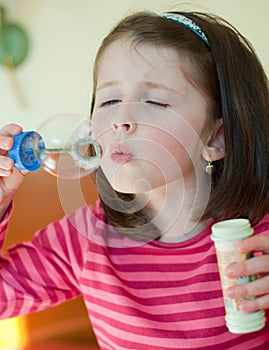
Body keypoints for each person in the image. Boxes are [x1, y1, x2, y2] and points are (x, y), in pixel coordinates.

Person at [0, 9, 269, 349]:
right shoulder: (84, 239)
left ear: (216, 139)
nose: (121, 119)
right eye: (109, 100)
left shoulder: (257, 240)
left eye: (155, 101)